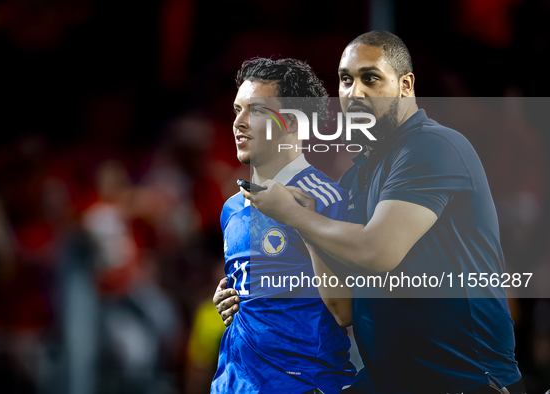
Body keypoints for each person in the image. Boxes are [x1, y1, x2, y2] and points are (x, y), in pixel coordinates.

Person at [217, 31, 525, 394]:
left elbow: (379, 251)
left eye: (371, 78)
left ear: (406, 85)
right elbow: (341, 302)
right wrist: (248, 293)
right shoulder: (355, 176)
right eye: (346, 80)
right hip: (390, 381)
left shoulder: (432, 145)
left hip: (465, 380)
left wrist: (298, 217)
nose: (355, 91)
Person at [210, 57, 356, 393]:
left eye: (256, 111)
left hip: (303, 384)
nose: (239, 123)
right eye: (236, 110)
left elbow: (344, 309)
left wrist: (301, 220)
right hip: (232, 385)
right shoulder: (231, 208)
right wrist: (233, 298)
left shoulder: (330, 199)